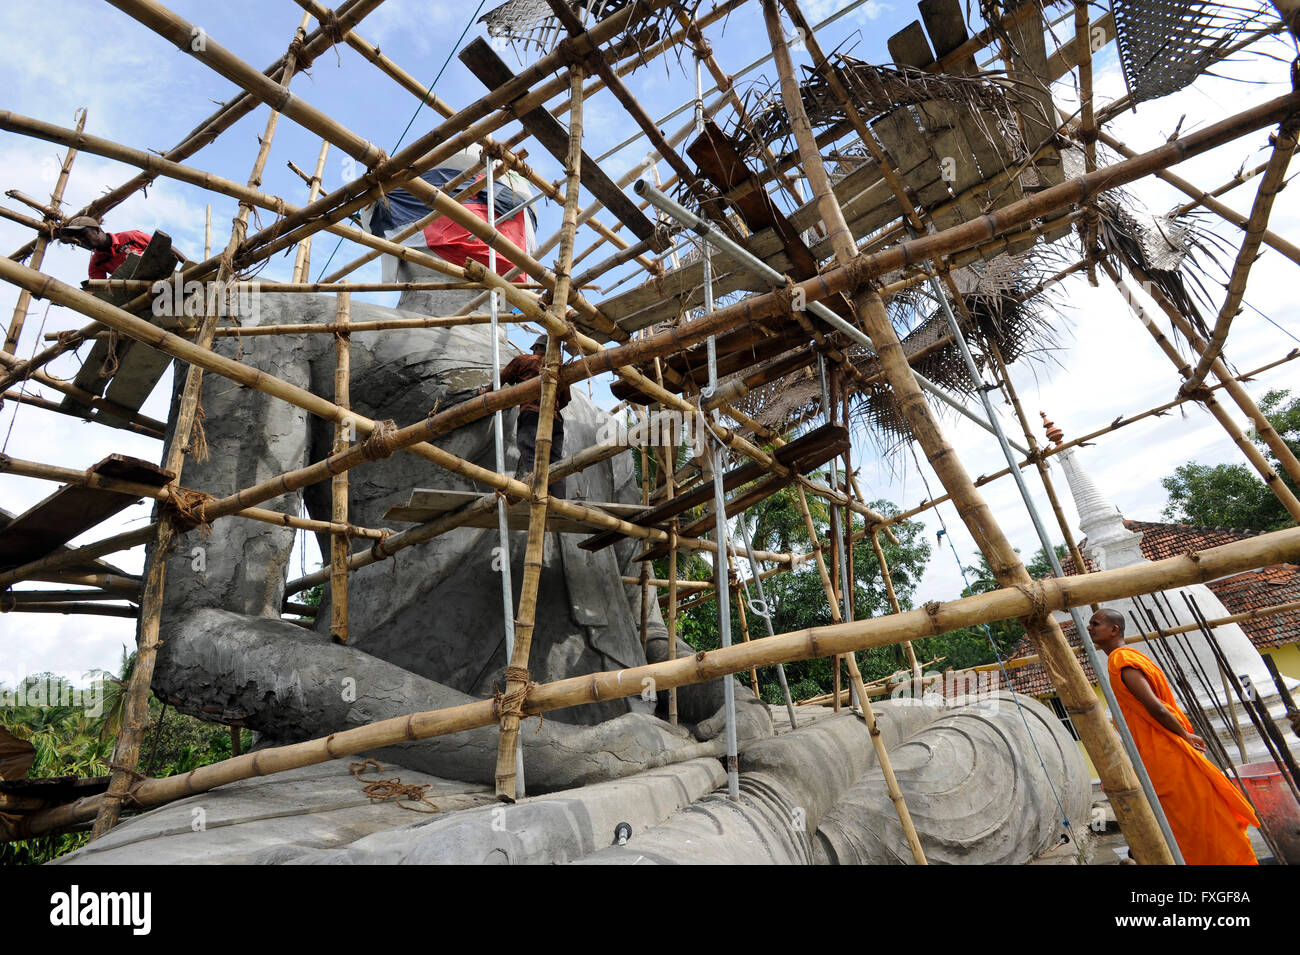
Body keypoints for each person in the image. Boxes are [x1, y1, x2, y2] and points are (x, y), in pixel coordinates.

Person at [1088, 608, 1259, 864]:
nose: (1089, 628)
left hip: (1165, 754)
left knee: (1194, 820)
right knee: (1196, 820)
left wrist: (1185, 736)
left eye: (1095, 623)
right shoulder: (1127, 658)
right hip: (1162, 750)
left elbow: (1154, 706)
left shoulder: (1122, 660)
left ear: (1114, 630)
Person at [483, 335, 569, 498]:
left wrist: (484, 392)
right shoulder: (559, 369)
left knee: (531, 451)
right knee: (555, 462)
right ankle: (558, 500)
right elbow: (565, 399)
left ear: (536, 348)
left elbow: (499, 380)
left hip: (532, 414)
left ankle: (541, 494)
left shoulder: (524, 360)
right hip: (556, 420)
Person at [57, 216, 184, 282]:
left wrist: (190, 266)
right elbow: (98, 290)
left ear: (97, 230)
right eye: (78, 237)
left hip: (165, 278)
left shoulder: (130, 237)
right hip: (141, 292)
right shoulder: (96, 263)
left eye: (84, 234)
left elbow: (166, 248)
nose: (82, 240)